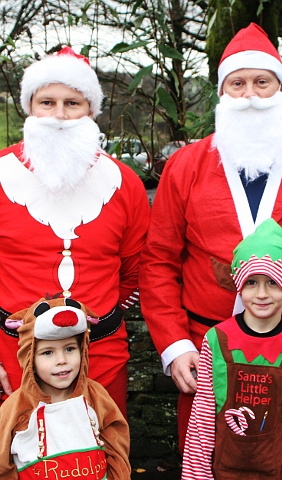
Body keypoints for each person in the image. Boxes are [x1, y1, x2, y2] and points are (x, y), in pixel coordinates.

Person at [139, 22, 282, 479]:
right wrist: (174, 345)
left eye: (262, 82)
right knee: (207, 463)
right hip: (211, 357)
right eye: (238, 83)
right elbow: (159, 261)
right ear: (222, 93)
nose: (250, 94)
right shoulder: (186, 165)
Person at [0, 46, 150, 418]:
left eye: (72, 103)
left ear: (91, 111)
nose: (59, 116)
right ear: (29, 107)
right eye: (46, 103)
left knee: (102, 464)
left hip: (101, 360)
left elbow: (134, 271)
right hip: (12, 361)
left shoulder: (124, 183)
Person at [181, 219, 282, 480]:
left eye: (273, 282)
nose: (262, 294)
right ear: (239, 286)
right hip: (222, 470)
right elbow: (202, 418)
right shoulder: (217, 340)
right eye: (252, 282)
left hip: (274, 470)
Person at [0, 297, 131, 479]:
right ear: (29, 357)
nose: (62, 360)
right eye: (48, 352)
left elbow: (116, 447)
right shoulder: (15, 408)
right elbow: (3, 465)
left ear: (82, 350)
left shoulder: (96, 396)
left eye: (70, 349)